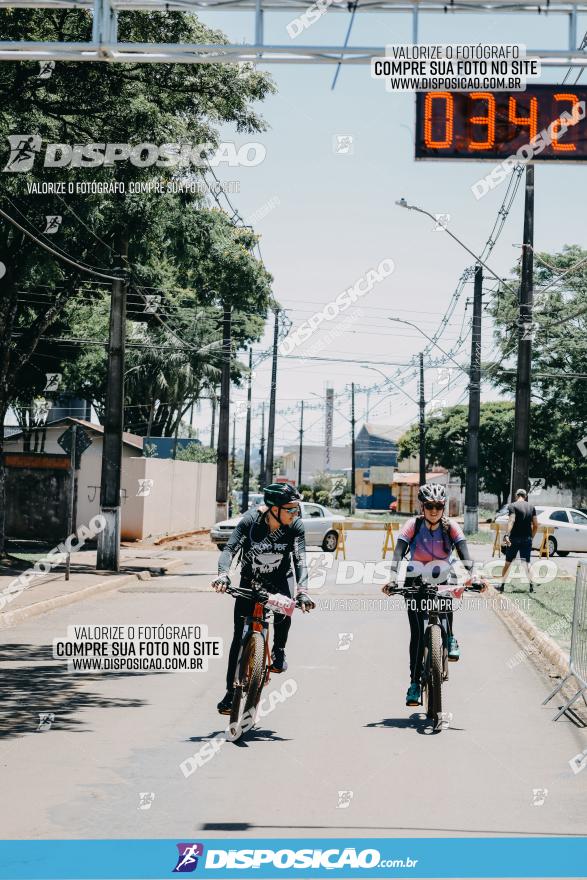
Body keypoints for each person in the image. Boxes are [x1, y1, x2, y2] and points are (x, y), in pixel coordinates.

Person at [211, 483, 314, 714]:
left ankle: (278, 649)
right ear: (274, 509)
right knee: (239, 637)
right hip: (250, 580)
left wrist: (303, 591)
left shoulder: (295, 526)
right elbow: (229, 550)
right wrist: (223, 575)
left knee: (286, 607)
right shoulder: (250, 522)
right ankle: (230, 693)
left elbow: (300, 559)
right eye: (290, 509)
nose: (294, 514)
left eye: (297, 509)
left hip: (280, 580)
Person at [382, 482, 477, 707]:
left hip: (442, 574)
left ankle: (450, 636)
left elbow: (464, 553)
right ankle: (414, 684)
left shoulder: (451, 527)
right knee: (416, 633)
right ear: (422, 507)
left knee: (449, 595)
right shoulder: (412, 525)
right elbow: (397, 553)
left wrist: (474, 575)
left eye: (438, 506)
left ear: (443, 507)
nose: (434, 510)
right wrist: (392, 578)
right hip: (415, 578)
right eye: (429, 506)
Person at [498, 488, 538, 593]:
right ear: (525, 496)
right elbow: (536, 524)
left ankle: (502, 585)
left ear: (516, 496)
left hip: (514, 539)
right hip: (527, 538)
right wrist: (531, 537)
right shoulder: (531, 507)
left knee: (508, 562)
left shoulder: (513, 506)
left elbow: (512, 520)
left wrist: (507, 534)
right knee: (527, 563)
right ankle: (531, 586)